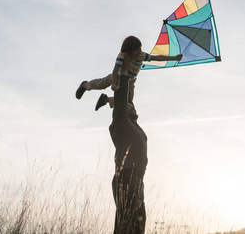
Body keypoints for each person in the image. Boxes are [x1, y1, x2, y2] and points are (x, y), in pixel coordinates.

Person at [75, 36, 182, 111]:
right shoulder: (122, 56)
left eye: (140, 48)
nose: (139, 51)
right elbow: (115, 69)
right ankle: (85, 85)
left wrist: (174, 58)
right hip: (118, 77)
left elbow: (156, 58)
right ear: (129, 51)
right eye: (135, 50)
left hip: (131, 81)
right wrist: (114, 83)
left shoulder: (141, 55)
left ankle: (106, 100)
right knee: (101, 84)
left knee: (129, 103)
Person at [110, 55, 148, 233]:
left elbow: (128, 96)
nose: (133, 106)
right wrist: (123, 71)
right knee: (127, 224)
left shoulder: (132, 124)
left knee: (138, 224)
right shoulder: (122, 122)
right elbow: (121, 96)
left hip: (136, 179)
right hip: (126, 176)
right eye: (128, 105)